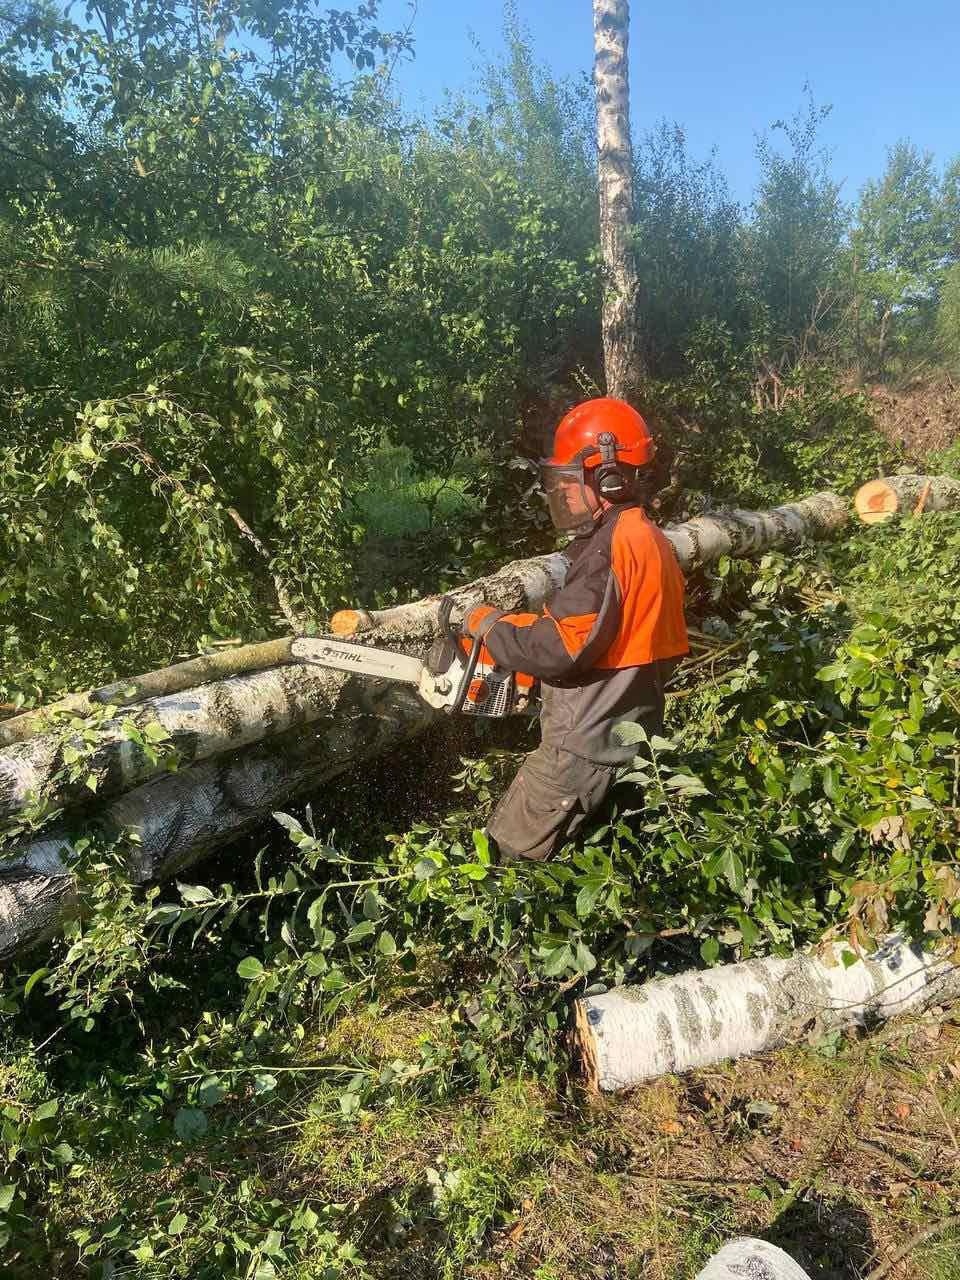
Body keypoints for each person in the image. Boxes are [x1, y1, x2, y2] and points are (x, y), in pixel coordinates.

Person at [463, 397, 689, 862]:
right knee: (598, 865)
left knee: (503, 863)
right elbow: (611, 637)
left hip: (580, 753)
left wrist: (490, 625)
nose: (563, 493)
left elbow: (558, 649)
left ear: (606, 476)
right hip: (632, 738)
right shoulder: (648, 538)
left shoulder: (612, 549)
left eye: (569, 481)